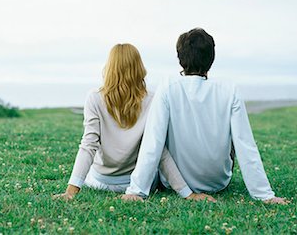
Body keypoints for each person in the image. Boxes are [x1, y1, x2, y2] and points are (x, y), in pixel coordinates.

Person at [122, 29, 288, 205]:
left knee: (162, 134)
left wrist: (137, 191)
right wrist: (265, 194)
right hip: (217, 182)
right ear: (211, 58)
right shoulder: (229, 89)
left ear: (180, 58)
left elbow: (153, 142)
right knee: (233, 136)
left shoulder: (167, 87)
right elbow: (245, 144)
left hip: (175, 184)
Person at [54, 43, 215, 202]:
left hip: (100, 182)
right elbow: (160, 151)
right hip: (139, 183)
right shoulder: (153, 100)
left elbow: (88, 145)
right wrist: (188, 193)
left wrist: (70, 191)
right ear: (139, 68)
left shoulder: (94, 98)